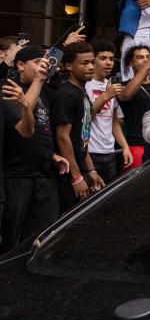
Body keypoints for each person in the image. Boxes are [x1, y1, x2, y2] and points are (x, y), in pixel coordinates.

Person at [1, 46, 65, 252]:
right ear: (20, 65)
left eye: (45, 64)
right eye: (38, 63)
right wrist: (38, 81)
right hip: (17, 176)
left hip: (43, 174)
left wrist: (51, 154)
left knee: (42, 237)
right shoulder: (8, 88)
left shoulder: (43, 93)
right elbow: (24, 128)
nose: (43, 68)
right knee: (13, 239)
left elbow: (40, 130)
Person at [52, 41, 103, 211]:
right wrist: (76, 177)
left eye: (92, 62)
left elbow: (83, 136)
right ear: (69, 66)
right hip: (66, 172)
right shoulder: (66, 94)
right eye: (84, 63)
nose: (90, 67)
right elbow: (62, 137)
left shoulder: (81, 92)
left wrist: (91, 170)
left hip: (81, 167)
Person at [84, 39, 132, 184]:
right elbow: (84, 117)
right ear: (93, 60)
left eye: (111, 59)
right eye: (103, 58)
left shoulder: (110, 85)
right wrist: (105, 96)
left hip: (109, 153)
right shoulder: (86, 84)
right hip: (90, 153)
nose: (108, 63)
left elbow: (114, 121)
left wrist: (125, 147)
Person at [116, 45, 150, 169]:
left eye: (148, 57)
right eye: (140, 57)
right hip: (136, 146)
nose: (145, 60)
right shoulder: (123, 86)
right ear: (131, 62)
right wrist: (148, 65)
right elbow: (126, 95)